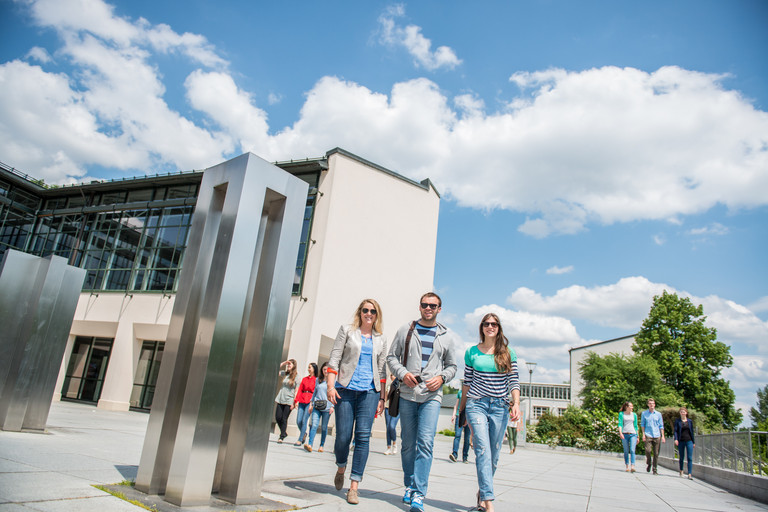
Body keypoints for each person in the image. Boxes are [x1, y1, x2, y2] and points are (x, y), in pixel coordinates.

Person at [387, 292, 458, 512]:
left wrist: (442, 378)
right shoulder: (406, 330)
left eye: (433, 305)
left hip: (432, 396)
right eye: (425, 305)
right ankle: (409, 485)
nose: (429, 308)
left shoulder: (446, 336)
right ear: (419, 307)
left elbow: (452, 366)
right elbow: (391, 357)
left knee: (426, 443)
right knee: (408, 444)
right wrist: (402, 373)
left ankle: (419, 493)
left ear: (439, 309)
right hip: (408, 393)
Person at [327, 299, 388, 505]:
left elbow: (381, 370)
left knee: (363, 436)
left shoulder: (380, 339)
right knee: (343, 436)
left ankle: (354, 486)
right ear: (360, 312)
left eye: (372, 311)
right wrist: (330, 386)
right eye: (365, 310)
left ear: (376, 315)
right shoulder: (347, 330)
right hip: (345, 388)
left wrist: (382, 397)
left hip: (369, 392)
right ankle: (341, 466)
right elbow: (335, 357)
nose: (368, 313)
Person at [458, 313, 520, 512]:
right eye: (487, 324)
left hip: (500, 407)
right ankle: (488, 502)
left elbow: (514, 380)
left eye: (494, 324)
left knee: (493, 455)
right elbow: (467, 382)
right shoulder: (472, 352)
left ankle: (482, 493)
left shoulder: (508, 352)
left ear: (499, 328)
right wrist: (462, 408)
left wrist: (516, 403)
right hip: (477, 404)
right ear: (482, 327)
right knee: (482, 449)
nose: (490, 327)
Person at [305, 362, 333, 453]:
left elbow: (334, 395)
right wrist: (311, 404)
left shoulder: (332, 381)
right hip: (317, 405)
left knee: (324, 427)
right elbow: (314, 393)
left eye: (327, 369)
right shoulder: (318, 380)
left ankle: (321, 445)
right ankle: (310, 444)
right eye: (324, 369)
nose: (325, 371)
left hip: (327, 407)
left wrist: (333, 406)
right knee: (314, 425)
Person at [274, 359, 298, 443]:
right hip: (280, 398)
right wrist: (284, 363)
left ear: (294, 366)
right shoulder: (285, 374)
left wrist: (295, 402)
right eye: (288, 365)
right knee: (278, 417)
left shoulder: (296, 376)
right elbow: (275, 370)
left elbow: (296, 390)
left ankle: (281, 437)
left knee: (284, 418)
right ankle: (284, 432)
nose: (288, 366)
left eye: (290, 365)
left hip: (289, 399)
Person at [294, 362, 318, 446]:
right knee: (298, 420)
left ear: (314, 369)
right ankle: (304, 434)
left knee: (304, 420)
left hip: (309, 401)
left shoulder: (316, 380)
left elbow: (316, 392)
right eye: (308, 367)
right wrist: (296, 400)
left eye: (310, 367)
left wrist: (313, 403)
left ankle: (300, 439)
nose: (308, 369)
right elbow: (300, 389)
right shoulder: (304, 379)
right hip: (302, 399)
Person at [640, 397, 665, 474]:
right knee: (648, 450)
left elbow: (661, 425)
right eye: (650, 404)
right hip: (648, 434)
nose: (652, 405)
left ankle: (655, 469)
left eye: (653, 404)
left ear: (655, 405)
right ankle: (649, 463)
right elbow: (643, 424)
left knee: (656, 453)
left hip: (657, 435)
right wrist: (643, 434)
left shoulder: (658, 414)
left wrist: (663, 436)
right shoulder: (644, 414)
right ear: (648, 405)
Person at [450, 384, 470, 463]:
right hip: (459, 415)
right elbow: (456, 405)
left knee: (467, 438)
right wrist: (453, 415)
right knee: (457, 435)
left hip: (468, 417)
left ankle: (465, 457)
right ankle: (454, 454)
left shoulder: (471, 392)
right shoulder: (460, 392)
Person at [674, 407, 695, 479]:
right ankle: (681, 470)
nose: (682, 413)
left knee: (689, 457)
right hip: (681, 441)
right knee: (681, 457)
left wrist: (693, 442)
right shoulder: (678, 421)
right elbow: (676, 431)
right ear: (680, 413)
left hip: (689, 441)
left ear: (686, 413)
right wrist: (676, 439)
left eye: (684, 412)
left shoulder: (689, 421)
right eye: (681, 412)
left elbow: (692, 432)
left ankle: (689, 473)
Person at [618, 402, 638, 473]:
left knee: (632, 450)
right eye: (630, 406)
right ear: (626, 407)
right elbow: (620, 424)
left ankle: (632, 466)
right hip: (625, 434)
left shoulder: (634, 415)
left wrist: (637, 436)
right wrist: (620, 433)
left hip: (633, 434)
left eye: (632, 406)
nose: (632, 408)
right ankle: (627, 466)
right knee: (626, 450)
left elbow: (635, 425)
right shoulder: (621, 414)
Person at [384, 374, 400, 455]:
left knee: (392, 426)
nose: (393, 377)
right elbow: (386, 396)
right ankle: (388, 447)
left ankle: (394, 443)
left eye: (395, 376)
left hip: (396, 409)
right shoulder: (389, 385)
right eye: (392, 376)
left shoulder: (399, 386)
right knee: (388, 428)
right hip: (387, 407)